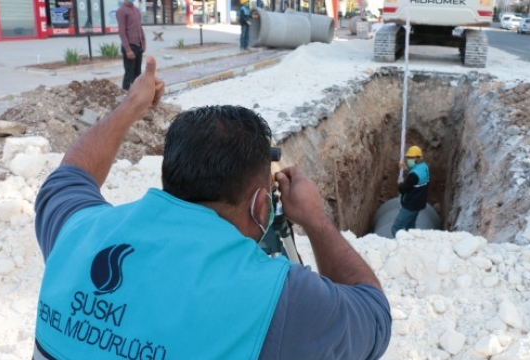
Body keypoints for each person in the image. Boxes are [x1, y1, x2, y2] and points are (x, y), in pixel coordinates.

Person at [32, 55, 391, 359]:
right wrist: (315, 222)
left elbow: (70, 175)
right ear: (260, 207)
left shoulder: (77, 233)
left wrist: (132, 106)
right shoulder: (275, 300)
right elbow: (373, 317)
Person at [391, 145, 430, 236]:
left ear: (416, 158)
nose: (408, 160)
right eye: (408, 158)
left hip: (410, 206)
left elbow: (403, 189)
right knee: (410, 227)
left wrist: (400, 182)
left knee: (396, 228)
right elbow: (414, 178)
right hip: (419, 203)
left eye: (410, 158)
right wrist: (404, 168)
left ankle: (400, 246)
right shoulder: (424, 167)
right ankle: (410, 244)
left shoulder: (414, 175)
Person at [116, 0, 146, 90]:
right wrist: (128, 50)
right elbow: (122, 32)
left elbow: (140, 27)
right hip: (130, 47)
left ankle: (137, 94)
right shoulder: (121, 11)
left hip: (138, 46)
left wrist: (143, 42)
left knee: (138, 73)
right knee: (129, 73)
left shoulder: (136, 10)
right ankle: (125, 94)